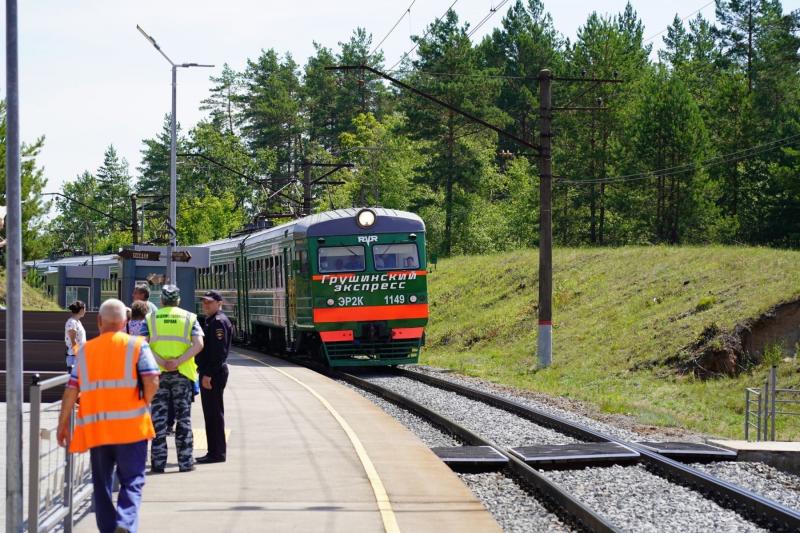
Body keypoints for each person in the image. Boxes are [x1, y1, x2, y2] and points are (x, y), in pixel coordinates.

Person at [56, 298, 160, 533]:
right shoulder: (137, 346)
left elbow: (72, 389)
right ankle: (125, 521)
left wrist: (63, 424)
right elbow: (152, 379)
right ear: (124, 321)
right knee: (132, 481)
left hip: (98, 430)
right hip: (132, 429)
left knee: (101, 486)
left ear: (99, 321)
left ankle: (108, 529)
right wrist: (143, 403)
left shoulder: (85, 351)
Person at [144, 285, 204, 473]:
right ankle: (185, 462)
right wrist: (178, 361)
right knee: (183, 419)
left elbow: (143, 344)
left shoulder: (151, 318)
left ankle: (158, 463)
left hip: (158, 375)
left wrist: (162, 361)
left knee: (158, 420)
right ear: (178, 300)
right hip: (182, 375)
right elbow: (199, 344)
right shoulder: (189, 318)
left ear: (161, 300)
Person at [196, 290, 232, 464]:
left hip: (213, 373)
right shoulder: (212, 321)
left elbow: (219, 353)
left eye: (209, 302)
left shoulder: (218, 323)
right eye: (204, 302)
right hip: (211, 372)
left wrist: (208, 374)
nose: (206, 305)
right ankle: (214, 451)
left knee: (214, 414)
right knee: (211, 414)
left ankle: (217, 453)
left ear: (219, 303)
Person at [64, 300, 87, 369]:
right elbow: (73, 341)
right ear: (81, 310)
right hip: (74, 357)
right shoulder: (71, 322)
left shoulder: (78, 322)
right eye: (85, 309)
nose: (85, 311)